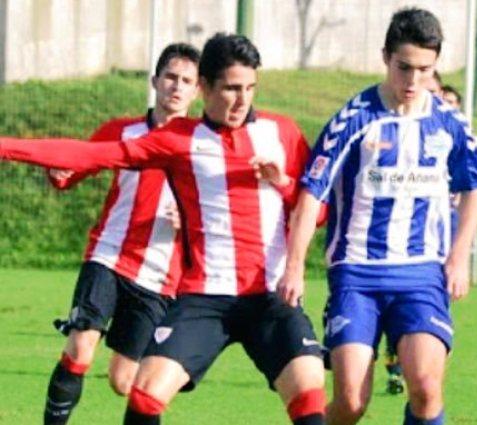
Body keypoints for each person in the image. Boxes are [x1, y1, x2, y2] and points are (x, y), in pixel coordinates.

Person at [0, 32, 326, 425]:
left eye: (250, 88)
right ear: (205, 88)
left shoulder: (282, 133)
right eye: (231, 89)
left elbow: (318, 212)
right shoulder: (176, 140)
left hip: (270, 296)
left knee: (309, 393)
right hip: (205, 298)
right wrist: (7, 146)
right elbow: (90, 155)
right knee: (143, 394)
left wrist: (283, 183)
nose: (242, 100)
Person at [278, 8, 477, 425]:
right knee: (352, 401)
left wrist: (459, 256)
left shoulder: (449, 122)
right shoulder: (353, 119)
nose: (413, 81)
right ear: (385, 57)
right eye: (403, 67)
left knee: (426, 388)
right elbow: (309, 196)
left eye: (424, 70)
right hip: (357, 272)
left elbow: (476, 185)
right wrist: (295, 267)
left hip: (421, 273)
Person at [39, 42, 200, 425]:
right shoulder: (121, 131)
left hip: (160, 277)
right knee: (80, 347)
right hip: (109, 256)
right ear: (155, 81)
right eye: (170, 77)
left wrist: (191, 222)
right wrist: (59, 173)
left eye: (187, 81)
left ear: (198, 91)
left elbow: (226, 213)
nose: (176, 87)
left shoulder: (203, 147)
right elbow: (75, 166)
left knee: (126, 381)